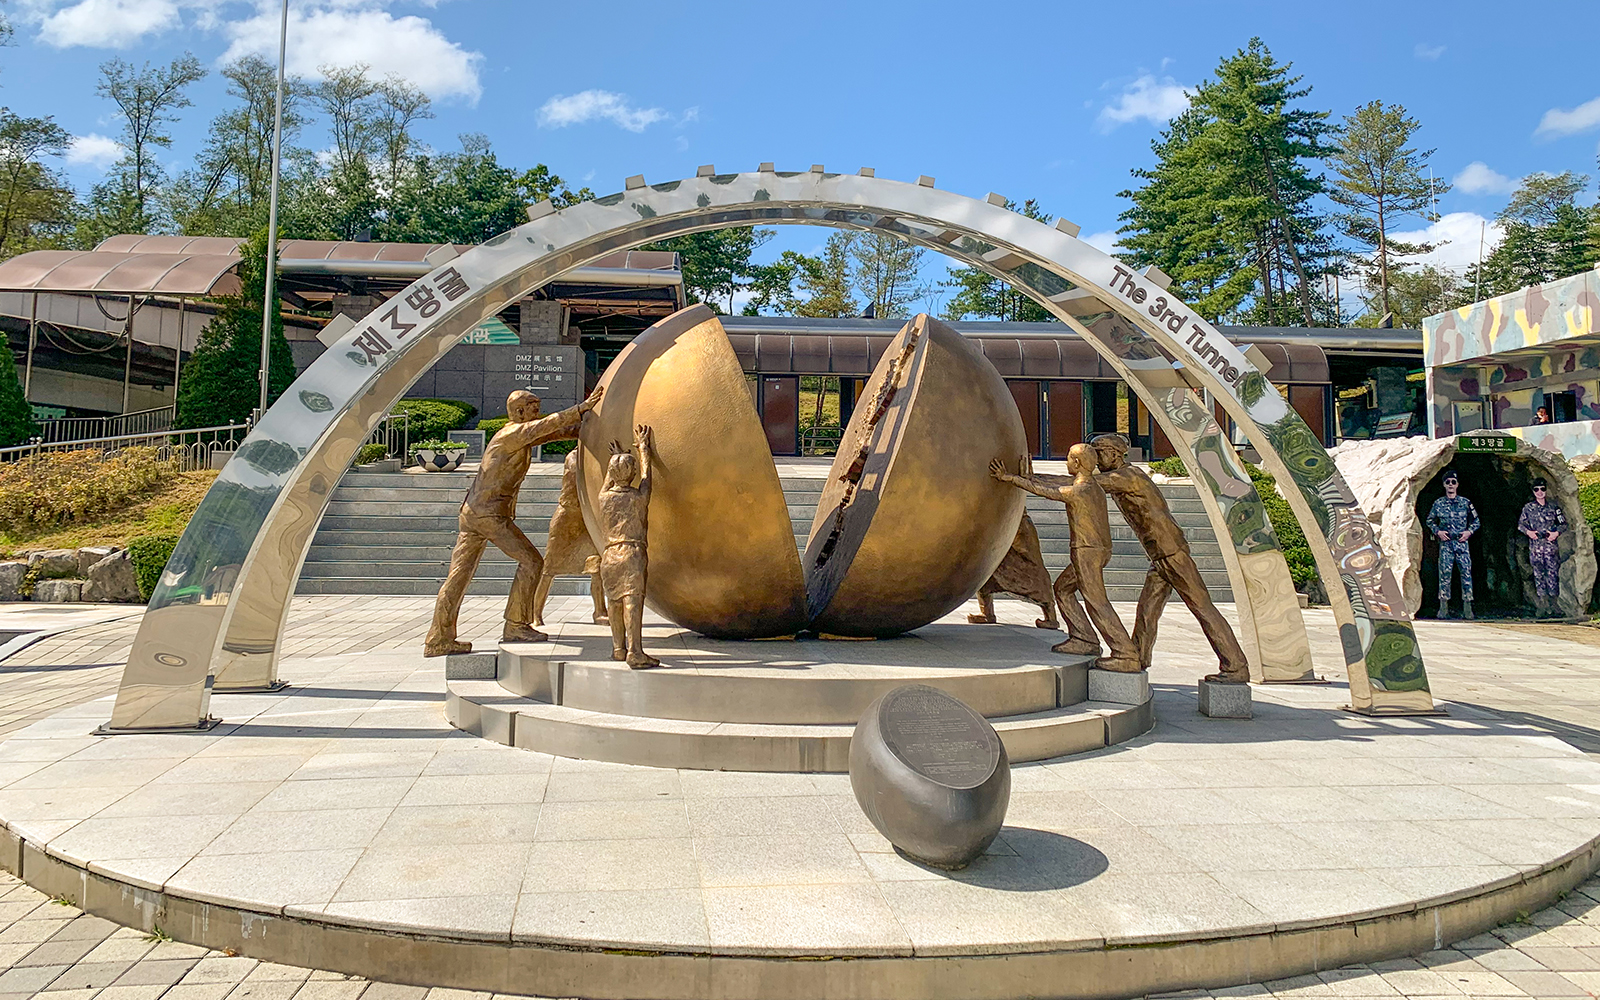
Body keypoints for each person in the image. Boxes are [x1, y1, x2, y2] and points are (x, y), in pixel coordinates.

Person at [424, 385, 603, 656]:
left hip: (474, 512)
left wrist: (587, 429)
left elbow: (553, 432)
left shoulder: (518, 435)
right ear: (519, 412)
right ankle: (516, 625)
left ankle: (438, 638)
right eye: (533, 408)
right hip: (489, 515)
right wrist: (581, 408)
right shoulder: (512, 434)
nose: (537, 412)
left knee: (458, 576)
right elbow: (546, 425)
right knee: (532, 562)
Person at [1091, 433, 1249, 683]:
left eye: (1098, 453)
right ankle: (1138, 656)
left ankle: (1235, 666)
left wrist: (1029, 480)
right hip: (1160, 555)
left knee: (1201, 607)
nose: (1095, 459)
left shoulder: (1127, 477)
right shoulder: (1124, 475)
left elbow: (1084, 484)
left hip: (1170, 553)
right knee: (1148, 609)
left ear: (1113, 453)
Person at [990, 444, 1137, 671]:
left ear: (1077, 463)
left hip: (1087, 551)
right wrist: (1030, 476)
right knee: (1063, 589)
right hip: (1097, 550)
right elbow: (1055, 482)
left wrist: (1009, 478)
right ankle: (1084, 638)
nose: (1066, 462)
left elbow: (1050, 492)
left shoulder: (1080, 491)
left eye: (1068, 458)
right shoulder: (1092, 485)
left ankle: (1125, 653)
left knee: (1096, 602)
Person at [599, 424, 658, 668]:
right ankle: (635, 651)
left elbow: (608, 481)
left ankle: (618, 648)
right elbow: (646, 478)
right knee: (632, 602)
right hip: (631, 553)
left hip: (609, 555)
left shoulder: (603, 498)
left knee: (613, 602)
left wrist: (616, 458)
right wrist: (643, 449)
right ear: (631, 473)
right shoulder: (638, 498)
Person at [529, 448, 608, 628]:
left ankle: (600, 611)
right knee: (549, 568)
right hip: (567, 518)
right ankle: (535, 614)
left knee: (596, 566)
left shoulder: (595, 458)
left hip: (587, 516)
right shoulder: (574, 457)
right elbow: (577, 474)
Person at [968, 511, 1060, 630]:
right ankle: (987, 612)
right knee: (986, 566)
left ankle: (1051, 616)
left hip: (1016, 521)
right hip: (996, 521)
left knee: (1033, 567)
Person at [1424, 468, 1479, 620]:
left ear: (1457, 485)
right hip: (1446, 544)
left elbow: (1476, 521)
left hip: (1462, 543)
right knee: (1445, 574)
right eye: (1447, 482)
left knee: (1466, 574)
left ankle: (1467, 608)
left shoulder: (1465, 503)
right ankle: (1443, 609)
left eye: (1453, 482)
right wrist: (1438, 532)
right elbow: (1430, 520)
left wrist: (1469, 532)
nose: (1450, 484)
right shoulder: (1438, 503)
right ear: (1444, 484)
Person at [1518, 478, 1566, 618]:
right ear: (1533, 492)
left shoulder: (1554, 508)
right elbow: (1521, 525)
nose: (1540, 492)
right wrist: (1529, 532)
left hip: (1550, 547)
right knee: (1539, 575)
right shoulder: (1528, 508)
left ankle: (1554, 605)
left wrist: (1556, 533)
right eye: (1537, 489)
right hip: (1536, 547)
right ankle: (1542, 606)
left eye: (1542, 489)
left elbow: (1563, 524)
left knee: (1552, 575)